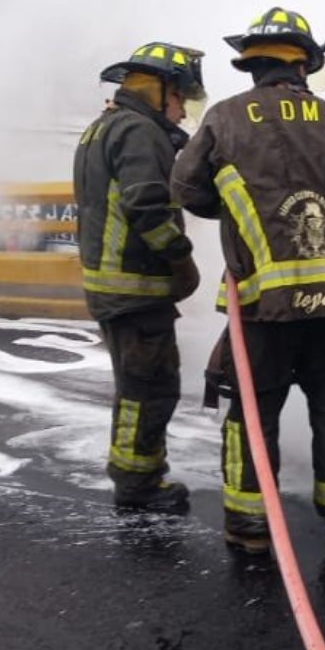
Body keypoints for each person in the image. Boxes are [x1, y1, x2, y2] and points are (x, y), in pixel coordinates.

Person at [172, 8, 325, 554]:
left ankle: (250, 530)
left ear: (253, 65)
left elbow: (186, 188)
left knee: (254, 413)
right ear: (304, 65)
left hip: (264, 304)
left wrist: (240, 211)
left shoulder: (226, 117)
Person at [74, 42, 206, 512]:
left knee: (136, 387)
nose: (182, 111)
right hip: (136, 290)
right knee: (149, 390)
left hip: (112, 288)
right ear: (159, 89)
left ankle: (136, 476)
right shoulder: (139, 131)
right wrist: (181, 260)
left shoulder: (103, 126)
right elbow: (146, 205)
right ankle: (138, 485)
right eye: (180, 97)